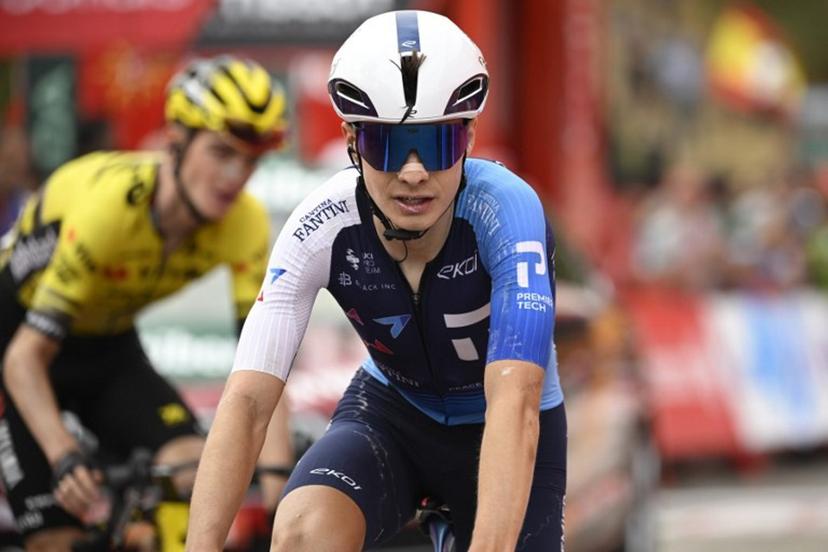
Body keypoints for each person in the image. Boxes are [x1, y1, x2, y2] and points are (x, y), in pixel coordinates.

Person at [187, 10, 566, 552]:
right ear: (350, 141)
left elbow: (516, 400)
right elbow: (247, 403)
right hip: (394, 416)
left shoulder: (508, 211)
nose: (414, 172)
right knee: (299, 536)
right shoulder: (321, 223)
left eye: (437, 144)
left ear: (470, 136)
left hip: (500, 421)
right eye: (387, 146)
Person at [0, 55, 292, 551]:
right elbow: (24, 357)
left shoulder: (241, 223)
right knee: (58, 538)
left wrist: (278, 484)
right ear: (177, 139)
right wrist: (64, 455)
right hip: (19, 347)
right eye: (222, 152)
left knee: (194, 465)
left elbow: (266, 365)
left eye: (250, 160)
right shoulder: (110, 211)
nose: (236, 176)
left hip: (108, 347)